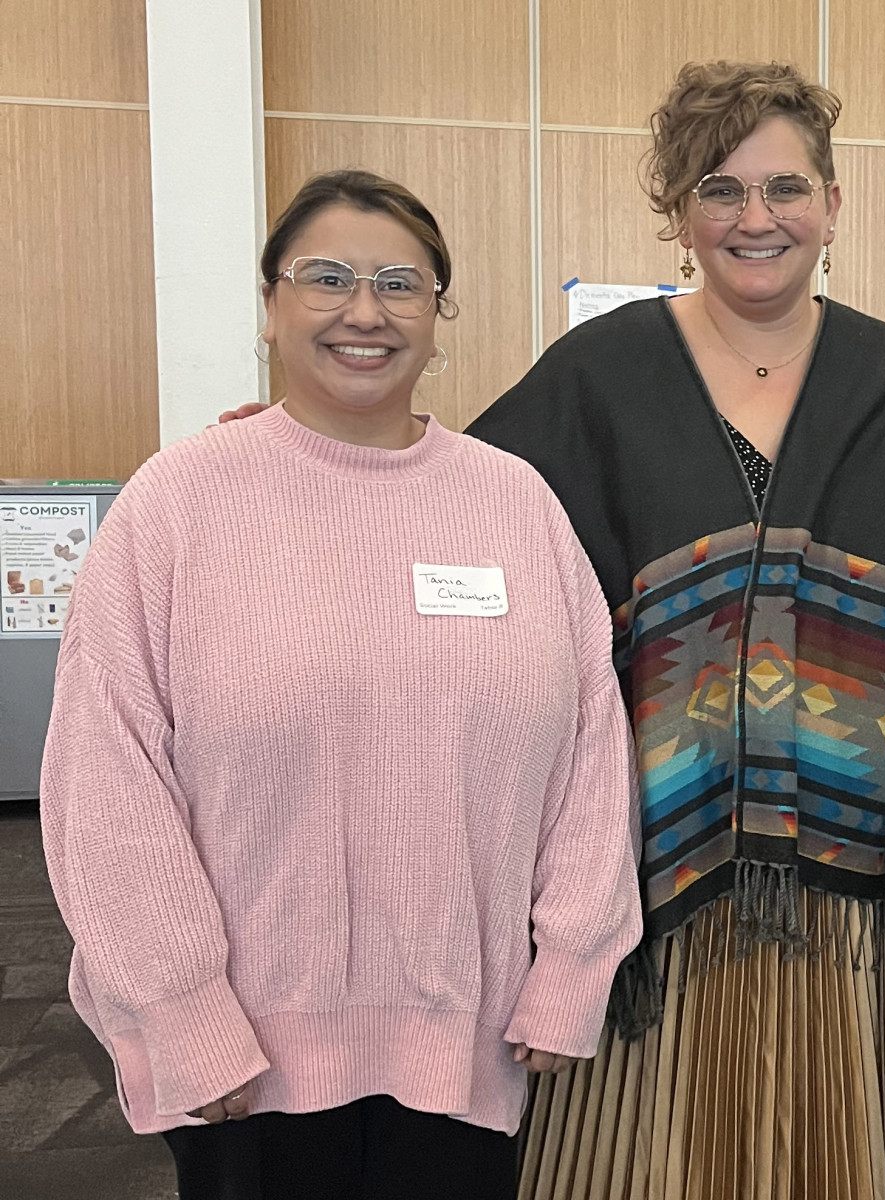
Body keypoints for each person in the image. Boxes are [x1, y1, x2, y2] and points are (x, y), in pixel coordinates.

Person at [39, 170, 643, 1199]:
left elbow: (592, 749)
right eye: (327, 277)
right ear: (270, 303)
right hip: (245, 1064)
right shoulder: (178, 503)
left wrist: (572, 970)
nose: (365, 309)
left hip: (469, 1047)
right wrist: (185, 1017)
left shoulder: (514, 504)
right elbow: (106, 785)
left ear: (439, 316)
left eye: (401, 283)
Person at [465, 61, 885, 1200]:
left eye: (786, 188)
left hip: (842, 883)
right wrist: (314, 452)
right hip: (643, 865)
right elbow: (460, 499)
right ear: (678, 213)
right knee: (640, 1155)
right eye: (720, 189)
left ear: (833, 205)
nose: (756, 219)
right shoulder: (599, 374)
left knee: (832, 1149)